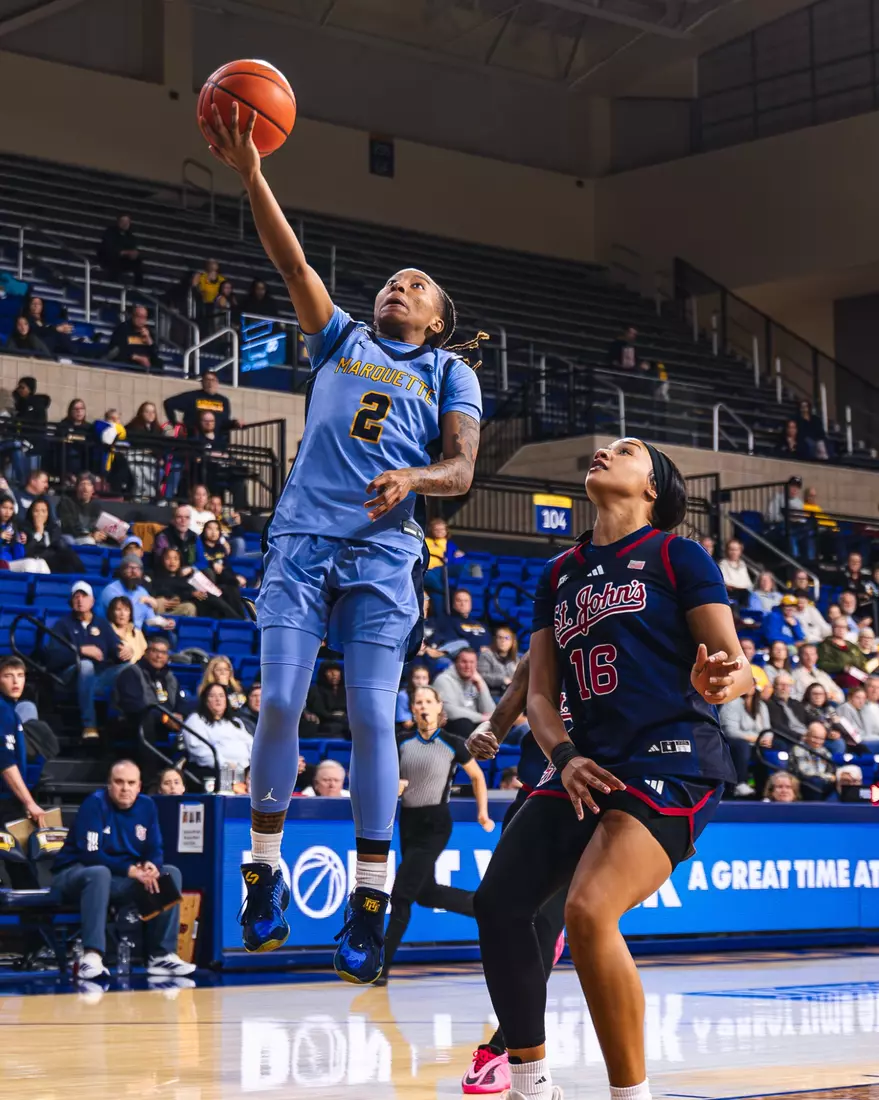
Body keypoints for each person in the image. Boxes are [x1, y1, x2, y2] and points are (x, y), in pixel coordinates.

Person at [202, 101, 482, 982]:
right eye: (391, 279)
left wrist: (415, 480)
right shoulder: (340, 339)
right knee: (280, 704)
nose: (397, 286)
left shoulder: (448, 370)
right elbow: (289, 259)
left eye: (416, 284)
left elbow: (463, 469)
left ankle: (368, 896)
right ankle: (262, 870)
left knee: (369, 716)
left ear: (436, 317)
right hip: (301, 542)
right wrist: (253, 175)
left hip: (384, 552)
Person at [473, 437, 747, 1100]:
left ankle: (630, 1095)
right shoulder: (558, 571)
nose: (603, 450)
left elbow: (733, 663)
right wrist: (561, 756)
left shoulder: (676, 554)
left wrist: (722, 678)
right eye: (602, 446)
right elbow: (538, 692)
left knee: (589, 910)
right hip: (584, 758)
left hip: (669, 757)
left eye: (625, 450)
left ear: (652, 486)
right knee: (499, 904)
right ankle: (529, 1085)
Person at [462, 653, 566, 1094]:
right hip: (537, 795)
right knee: (512, 920)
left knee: (546, 928)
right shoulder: (546, 640)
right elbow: (512, 700)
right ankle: (507, 1051)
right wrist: (491, 731)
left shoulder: (625, 626)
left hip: (586, 791)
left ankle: (507, 1050)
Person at [380, 684, 493, 983]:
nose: (423, 706)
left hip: (436, 823)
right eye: (418, 702)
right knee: (426, 894)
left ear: (439, 706)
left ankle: (379, 966)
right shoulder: (401, 741)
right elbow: (386, 775)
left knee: (402, 894)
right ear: (413, 709)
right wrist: (395, 784)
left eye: (428, 701)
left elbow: (477, 776)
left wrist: (482, 813)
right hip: (409, 822)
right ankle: (488, 909)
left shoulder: (453, 742)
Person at [51, 760, 195, 980]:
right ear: (109, 785)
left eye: (131, 783)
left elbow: (155, 847)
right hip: (75, 874)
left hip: (117, 879)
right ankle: (92, 956)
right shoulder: (95, 804)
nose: (125, 788)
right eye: (119, 782)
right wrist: (131, 871)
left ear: (139, 786)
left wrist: (152, 866)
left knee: (169, 873)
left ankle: (161, 955)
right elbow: (91, 854)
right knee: (99, 872)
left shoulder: (147, 806)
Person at [44, 581, 127, 740]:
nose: (80, 600)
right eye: (76, 596)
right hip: (70, 677)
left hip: (99, 677)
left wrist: (125, 651)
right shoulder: (63, 624)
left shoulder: (102, 624)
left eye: (84, 596)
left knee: (130, 668)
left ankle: (121, 720)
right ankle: (89, 725)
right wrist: (80, 650)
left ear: (92, 601)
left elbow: (115, 649)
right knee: (86, 665)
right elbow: (53, 657)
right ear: (71, 601)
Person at [114, 636, 186, 753]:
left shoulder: (170, 677)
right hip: (136, 724)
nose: (159, 656)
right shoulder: (131, 673)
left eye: (163, 652)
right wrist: (165, 717)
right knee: (146, 719)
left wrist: (180, 715)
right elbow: (136, 705)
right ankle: (149, 770)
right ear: (146, 653)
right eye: (155, 651)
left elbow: (180, 702)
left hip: (166, 724)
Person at [182, 684, 253, 781]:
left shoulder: (235, 722)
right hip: (216, 772)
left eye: (221, 696)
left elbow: (252, 744)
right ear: (206, 700)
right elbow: (200, 752)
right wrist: (226, 765)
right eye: (212, 696)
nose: (218, 699)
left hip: (244, 772)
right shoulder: (195, 720)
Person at [719, 681, 770, 796]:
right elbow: (731, 732)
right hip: (734, 742)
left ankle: (768, 788)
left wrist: (768, 739)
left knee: (779, 746)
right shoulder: (731, 704)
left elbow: (767, 729)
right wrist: (755, 739)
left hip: (757, 743)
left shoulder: (761, 705)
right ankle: (740, 783)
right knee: (742, 745)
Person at [100, 555, 173, 632]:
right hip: (111, 633)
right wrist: (143, 601)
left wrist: (165, 622)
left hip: (135, 635)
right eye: (129, 568)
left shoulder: (142, 591)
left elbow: (149, 619)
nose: (134, 572)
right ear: (122, 571)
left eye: (137, 569)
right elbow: (123, 616)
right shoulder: (111, 590)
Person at [433, 649, 494, 738]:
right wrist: (481, 718)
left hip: (474, 725)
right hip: (451, 727)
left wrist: (481, 686)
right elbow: (450, 711)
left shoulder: (477, 680)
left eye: (472, 662)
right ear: (456, 663)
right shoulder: (443, 680)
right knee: (464, 723)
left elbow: (490, 712)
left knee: (490, 727)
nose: (468, 666)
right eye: (464, 662)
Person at [163, 370, 240, 435]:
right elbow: (168, 403)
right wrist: (176, 425)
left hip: (216, 441)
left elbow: (225, 422)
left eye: (213, 380)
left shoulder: (223, 400)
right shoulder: (192, 396)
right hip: (194, 440)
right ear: (202, 382)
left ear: (217, 383)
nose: (210, 383)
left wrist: (235, 423)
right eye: (207, 380)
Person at [434, 588, 491, 653]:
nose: (462, 604)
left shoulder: (481, 625)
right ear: (453, 604)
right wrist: (477, 650)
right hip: (465, 658)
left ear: (471, 604)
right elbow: (453, 646)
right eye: (459, 601)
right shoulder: (447, 622)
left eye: (466, 601)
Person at [789, 721, 837, 798]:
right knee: (815, 782)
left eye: (821, 739)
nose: (818, 741)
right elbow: (799, 773)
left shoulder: (825, 752)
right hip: (805, 784)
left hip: (823, 783)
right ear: (807, 735)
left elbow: (831, 771)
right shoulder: (797, 749)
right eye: (815, 737)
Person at [57, 472, 106, 545]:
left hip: (92, 539)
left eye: (89, 484)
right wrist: (90, 535)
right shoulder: (66, 502)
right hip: (72, 538)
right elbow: (69, 527)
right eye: (82, 484)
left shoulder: (96, 506)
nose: (85, 488)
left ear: (93, 489)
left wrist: (100, 534)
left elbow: (97, 525)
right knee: (89, 541)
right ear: (76, 487)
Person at [423, 516, 465, 598]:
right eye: (436, 530)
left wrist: (452, 558)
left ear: (446, 531)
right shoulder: (425, 541)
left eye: (442, 529)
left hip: (441, 571)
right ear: (431, 530)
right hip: (426, 570)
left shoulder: (450, 545)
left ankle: (442, 592)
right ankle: (443, 590)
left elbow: (454, 561)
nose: (439, 532)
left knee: (437, 597)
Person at [152, 504, 204, 570]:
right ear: (173, 520)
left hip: (189, 571)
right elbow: (159, 562)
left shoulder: (194, 537)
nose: (183, 521)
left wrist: (191, 569)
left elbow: (202, 561)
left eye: (187, 517)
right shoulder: (163, 536)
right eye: (179, 517)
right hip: (168, 573)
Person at [97, 214, 144, 285]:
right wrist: (123, 252)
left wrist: (133, 254)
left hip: (123, 259)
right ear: (118, 222)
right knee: (114, 260)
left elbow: (132, 248)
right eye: (123, 221)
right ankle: (112, 282)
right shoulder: (110, 232)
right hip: (109, 258)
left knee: (137, 261)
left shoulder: (130, 236)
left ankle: (139, 285)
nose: (125, 224)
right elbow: (109, 248)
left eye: (127, 222)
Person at [305, 662, 350, 738]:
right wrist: (337, 717)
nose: (334, 674)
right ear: (323, 674)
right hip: (325, 723)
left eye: (337, 670)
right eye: (330, 671)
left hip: (346, 722)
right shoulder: (315, 690)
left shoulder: (347, 691)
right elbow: (320, 712)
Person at [478, 625, 520, 699]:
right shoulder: (486, 655)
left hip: (511, 694)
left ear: (512, 641)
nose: (503, 641)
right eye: (500, 637)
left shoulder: (516, 659)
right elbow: (482, 676)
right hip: (492, 695)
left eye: (507, 638)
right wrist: (502, 680)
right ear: (495, 640)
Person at [106, 596, 148, 666]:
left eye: (126, 610)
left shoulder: (137, 632)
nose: (122, 614)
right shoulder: (107, 631)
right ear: (112, 612)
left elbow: (145, 653)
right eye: (118, 609)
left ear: (130, 613)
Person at [766, 673, 808, 741]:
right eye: (781, 685)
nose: (784, 688)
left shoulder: (796, 703)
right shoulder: (770, 704)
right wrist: (799, 737)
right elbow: (778, 726)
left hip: (807, 735)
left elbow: (809, 718)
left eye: (787, 685)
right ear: (774, 686)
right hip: (791, 739)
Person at [395, 665, 430, 730]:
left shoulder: (431, 695)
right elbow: (407, 724)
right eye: (417, 678)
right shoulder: (403, 695)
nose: (420, 682)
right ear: (411, 679)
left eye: (424, 678)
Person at [718, 538, 751, 605]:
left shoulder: (742, 564)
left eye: (736, 550)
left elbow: (747, 583)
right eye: (731, 549)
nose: (734, 552)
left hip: (744, 593)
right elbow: (724, 582)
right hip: (730, 592)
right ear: (727, 550)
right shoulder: (723, 564)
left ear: (740, 551)